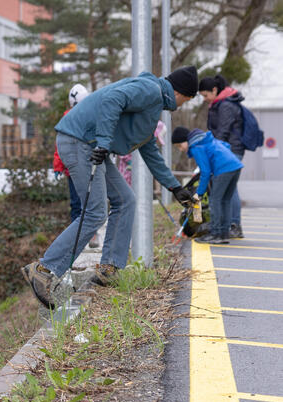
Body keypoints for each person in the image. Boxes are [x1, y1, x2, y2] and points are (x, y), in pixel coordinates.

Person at [22, 66, 200, 308]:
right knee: (95, 212)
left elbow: (149, 151)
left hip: (91, 145)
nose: (183, 104)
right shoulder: (150, 90)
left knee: (126, 200)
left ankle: (109, 268)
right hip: (80, 141)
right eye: (187, 99)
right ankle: (43, 269)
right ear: (182, 94)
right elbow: (112, 99)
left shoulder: (152, 107)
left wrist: (174, 187)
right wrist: (104, 142)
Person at [171, 126, 243, 244]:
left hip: (223, 169)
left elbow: (205, 171)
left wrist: (198, 194)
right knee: (225, 200)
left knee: (215, 200)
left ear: (186, 140)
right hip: (235, 165)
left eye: (180, 145)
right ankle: (223, 233)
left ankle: (215, 233)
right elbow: (226, 146)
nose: (180, 149)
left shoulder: (196, 147)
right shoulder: (206, 140)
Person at [199, 74, 247, 238]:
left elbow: (223, 131)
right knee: (229, 190)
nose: (204, 99)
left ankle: (233, 225)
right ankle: (228, 226)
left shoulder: (226, 105)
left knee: (229, 190)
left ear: (214, 90)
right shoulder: (220, 103)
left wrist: (212, 152)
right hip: (227, 149)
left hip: (230, 149)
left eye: (205, 95)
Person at [54, 83, 90, 222]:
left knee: (80, 202)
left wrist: (58, 166)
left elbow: (60, 146)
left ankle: (81, 232)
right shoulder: (84, 116)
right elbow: (61, 146)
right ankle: (81, 233)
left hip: (76, 167)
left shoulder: (67, 119)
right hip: (79, 167)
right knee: (83, 202)